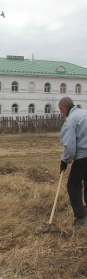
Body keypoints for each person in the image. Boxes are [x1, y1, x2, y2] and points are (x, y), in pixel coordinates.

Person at [59, 96, 87, 226]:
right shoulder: (84, 113)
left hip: (83, 157)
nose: (62, 114)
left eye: (61, 111)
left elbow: (70, 146)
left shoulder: (71, 121)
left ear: (64, 108)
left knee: (73, 185)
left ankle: (81, 217)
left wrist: (65, 161)